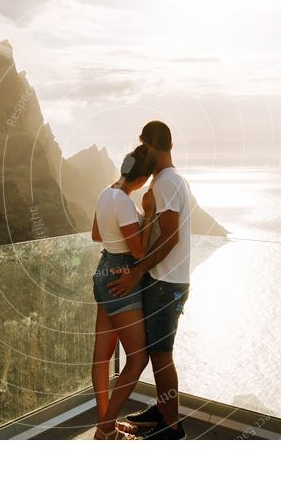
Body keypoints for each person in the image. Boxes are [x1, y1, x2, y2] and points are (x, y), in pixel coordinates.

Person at [109, 121, 191, 440]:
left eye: (145, 146)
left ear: (154, 147)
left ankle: (171, 427)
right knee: (158, 351)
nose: (143, 152)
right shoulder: (169, 181)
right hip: (169, 280)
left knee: (160, 354)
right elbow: (162, 230)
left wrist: (137, 271)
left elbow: (169, 237)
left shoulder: (165, 183)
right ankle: (162, 410)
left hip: (164, 282)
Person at [90, 144, 157, 439]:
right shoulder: (126, 203)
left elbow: (96, 235)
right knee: (138, 357)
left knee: (102, 356)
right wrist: (151, 214)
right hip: (121, 276)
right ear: (141, 179)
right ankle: (106, 427)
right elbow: (140, 250)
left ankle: (106, 424)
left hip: (104, 270)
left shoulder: (106, 194)